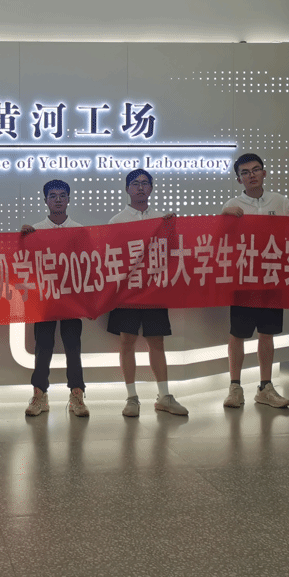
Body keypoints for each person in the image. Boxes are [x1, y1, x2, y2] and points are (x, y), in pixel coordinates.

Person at [220, 152, 289, 409]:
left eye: (255, 170)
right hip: (244, 278)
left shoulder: (280, 201)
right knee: (238, 334)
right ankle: (234, 388)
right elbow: (218, 237)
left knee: (267, 333)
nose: (251, 175)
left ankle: (265, 388)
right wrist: (223, 216)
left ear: (264, 173)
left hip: (273, 276)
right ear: (239, 179)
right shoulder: (232, 204)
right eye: (245, 172)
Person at [107, 169, 188, 418]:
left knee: (157, 342)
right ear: (127, 189)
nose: (140, 187)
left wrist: (172, 228)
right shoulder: (116, 221)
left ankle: (164, 396)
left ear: (151, 188)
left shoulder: (162, 219)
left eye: (145, 183)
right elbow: (111, 258)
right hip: (127, 292)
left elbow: (173, 252)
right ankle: (132, 397)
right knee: (127, 342)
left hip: (154, 291)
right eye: (135, 183)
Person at [20, 179, 85, 417]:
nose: (58, 200)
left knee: (73, 347)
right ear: (45, 200)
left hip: (71, 299)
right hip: (45, 298)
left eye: (62, 195)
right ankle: (40, 395)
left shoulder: (79, 230)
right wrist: (23, 240)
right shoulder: (35, 230)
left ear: (68, 199)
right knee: (43, 346)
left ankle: (77, 395)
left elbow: (87, 265)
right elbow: (24, 262)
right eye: (53, 196)